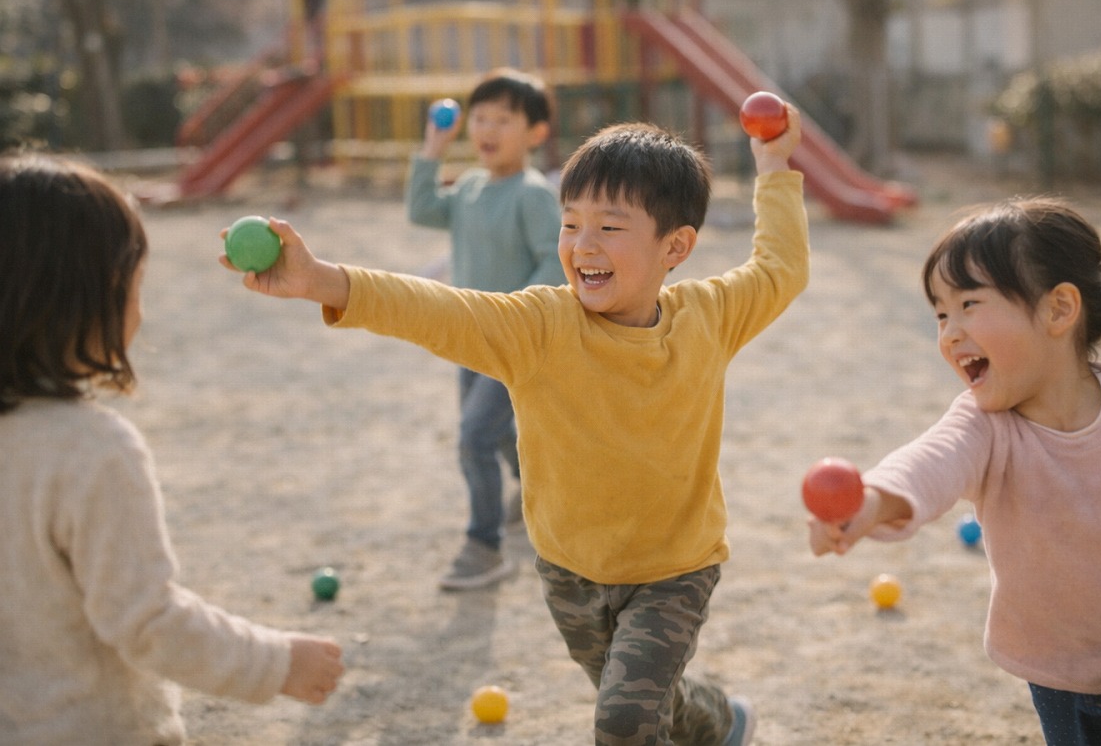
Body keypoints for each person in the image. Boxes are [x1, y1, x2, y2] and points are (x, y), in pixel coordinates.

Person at [221, 111, 810, 745]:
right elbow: (439, 311)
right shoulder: (540, 326)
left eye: (610, 228)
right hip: (567, 567)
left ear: (676, 246)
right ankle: (722, 722)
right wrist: (323, 281)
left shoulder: (711, 317)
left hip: (675, 571)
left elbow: (781, 268)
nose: (584, 245)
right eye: (571, 224)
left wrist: (774, 165)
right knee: (640, 695)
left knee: (624, 719)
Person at [809, 198, 1101, 746]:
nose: (950, 332)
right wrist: (873, 500)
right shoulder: (985, 423)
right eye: (941, 314)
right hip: (1057, 672)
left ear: (1058, 310)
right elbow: (931, 461)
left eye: (970, 304)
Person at [0, 153, 345, 743]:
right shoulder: (92, 450)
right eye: (135, 286)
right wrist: (277, 662)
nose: (141, 306)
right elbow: (145, 621)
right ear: (91, 298)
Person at [406, 68, 564, 590]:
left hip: (512, 344)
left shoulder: (533, 193)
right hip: (467, 340)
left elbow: (555, 262)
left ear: (535, 133)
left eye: (503, 119)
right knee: (498, 437)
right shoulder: (471, 187)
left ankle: (484, 545)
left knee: (475, 437)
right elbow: (423, 208)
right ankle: (535, 489)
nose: (487, 129)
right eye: (479, 118)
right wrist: (434, 147)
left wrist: (515, 315)